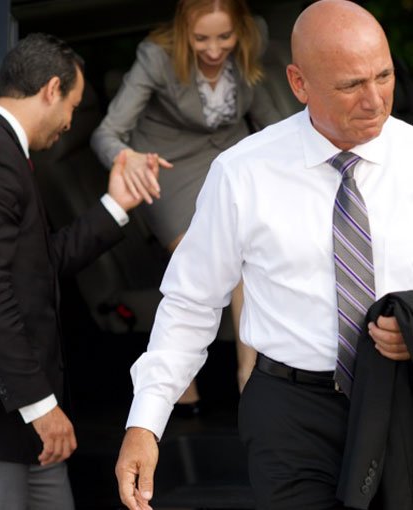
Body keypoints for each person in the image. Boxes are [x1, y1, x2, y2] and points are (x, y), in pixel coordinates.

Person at [114, 1, 413, 509]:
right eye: (350, 85)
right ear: (299, 84)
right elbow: (191, 303)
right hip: (291, 415)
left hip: (401, 399)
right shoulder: (242, 173)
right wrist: (145, 422)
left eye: (383, 76)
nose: (375, 100)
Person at [0, 33, 154, 510]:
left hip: (20, 427)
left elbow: (40, 263)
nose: (70, 122)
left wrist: (116, 205)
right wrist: (41, 406)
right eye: (74, 106)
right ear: (51, 89)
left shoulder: (1, 152)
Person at [91, 0, 281, 410]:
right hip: (167, 164)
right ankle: (174, 381)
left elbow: (271, 116)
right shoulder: (155, 56)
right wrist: (128, 159)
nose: (214, 50)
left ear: (242, 31)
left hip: (229, 159)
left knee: (248, 260)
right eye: (201, 39)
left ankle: (249, 381)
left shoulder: (253, 41)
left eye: (224, 37)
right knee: (201, 260)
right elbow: (107, 133)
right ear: (183, 34)